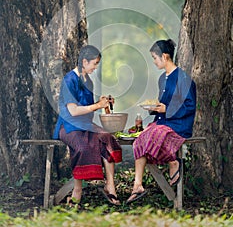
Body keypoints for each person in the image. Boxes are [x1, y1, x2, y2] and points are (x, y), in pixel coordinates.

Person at [126, 39, 196, 204]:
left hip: (179, 125)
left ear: (165, 56)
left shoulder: (183, 79)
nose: (154, 62)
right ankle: (137, 185)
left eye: (155, 58)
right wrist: (154, 108)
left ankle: (173, 162)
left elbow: (190, 106)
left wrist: (167, 109)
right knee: (140, 139)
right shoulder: (162, 80)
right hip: (163, 123)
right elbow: (162, 105)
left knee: (153, 135)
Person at [53, 45, 122, 206]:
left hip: (85, 124)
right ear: (84, 61)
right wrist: (97, 105)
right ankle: (77, 190)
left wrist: (103, 104)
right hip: (69, 126)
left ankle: (110, 186)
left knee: (107, 138)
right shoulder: (69, 80)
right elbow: (74, 111)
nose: (95, 67)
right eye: (95, 63)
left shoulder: (88, 81)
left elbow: (88, 109)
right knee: (82, 146)